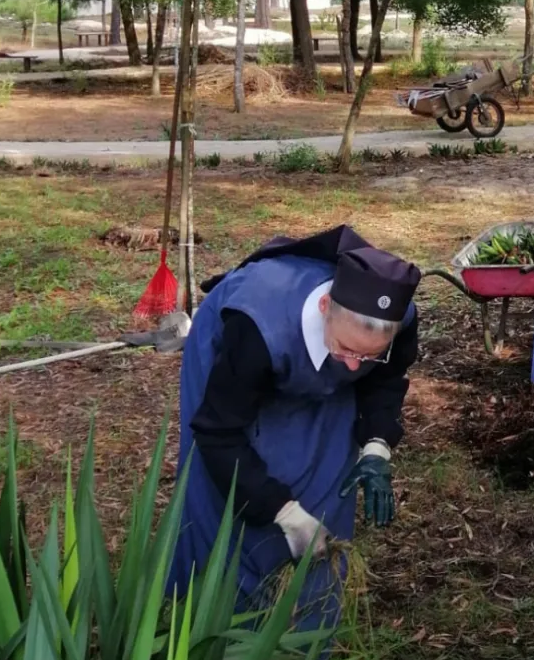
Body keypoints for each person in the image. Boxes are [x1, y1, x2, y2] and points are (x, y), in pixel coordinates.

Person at [168, 226, 421, 632]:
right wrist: (283, 512)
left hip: (304, 350)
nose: (353, 366)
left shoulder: (396, 318)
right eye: (347, 348)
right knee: (222, 497)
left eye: (368, 355)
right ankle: (224, 628)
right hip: (246, 355)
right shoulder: (256, 328)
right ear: (325, 306)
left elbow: (385, 381)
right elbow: (218, 433)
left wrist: (377, 444)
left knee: (326, 488)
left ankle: (307, 635)